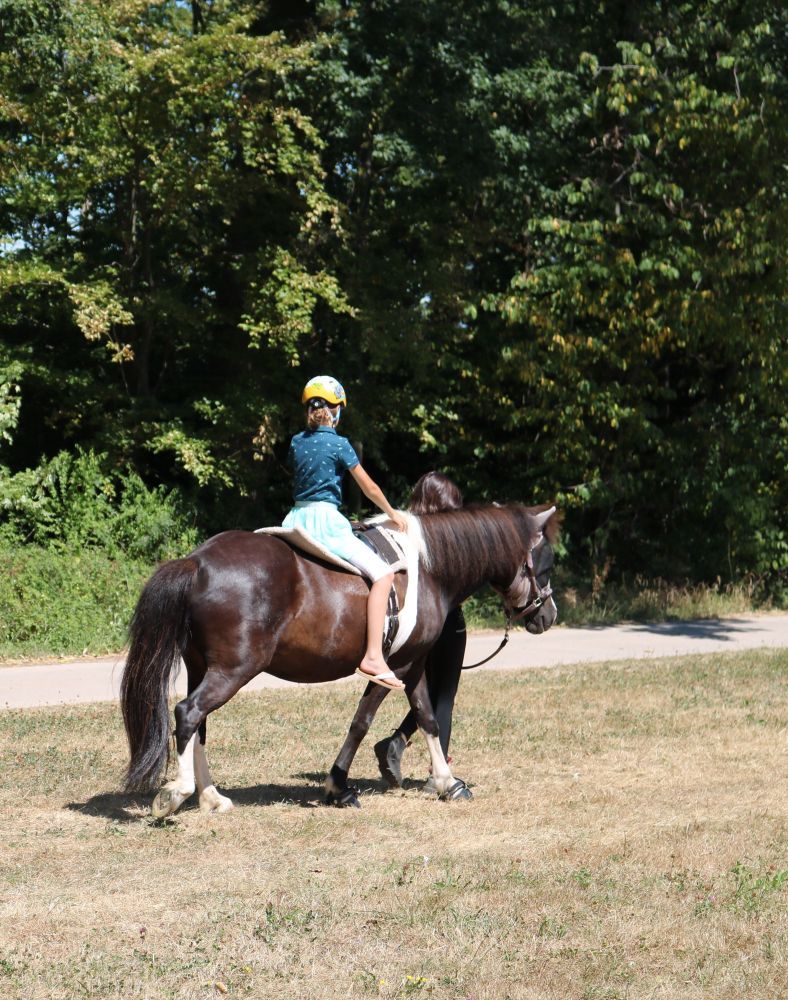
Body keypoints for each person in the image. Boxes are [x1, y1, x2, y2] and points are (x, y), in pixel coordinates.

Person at [284, 375, 409, 691]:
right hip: (326, 523)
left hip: (295, 520)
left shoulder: (296, 442)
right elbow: (369, 487)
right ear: (336, 411)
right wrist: (393, 513)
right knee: (383, 575)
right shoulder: (340, 445)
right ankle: (373, 656)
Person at [373, 471, 471, 796]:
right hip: (447, 622)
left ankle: (397, 742)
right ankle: (438, 774)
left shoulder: (407, 530)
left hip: (414, 622)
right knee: (444, 697)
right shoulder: (446, 537)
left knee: (424, 693)